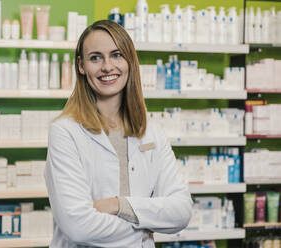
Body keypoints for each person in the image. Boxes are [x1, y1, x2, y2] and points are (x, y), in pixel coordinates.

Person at [44, 20, 192, 248]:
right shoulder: (65, 132)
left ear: (130, 61)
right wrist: (145, 227)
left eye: (116, 55)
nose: (107, 66)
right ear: (81, 66)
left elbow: (181, 211)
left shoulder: (151, 132)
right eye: (95, 58)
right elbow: (78, 226)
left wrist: (118, 205)